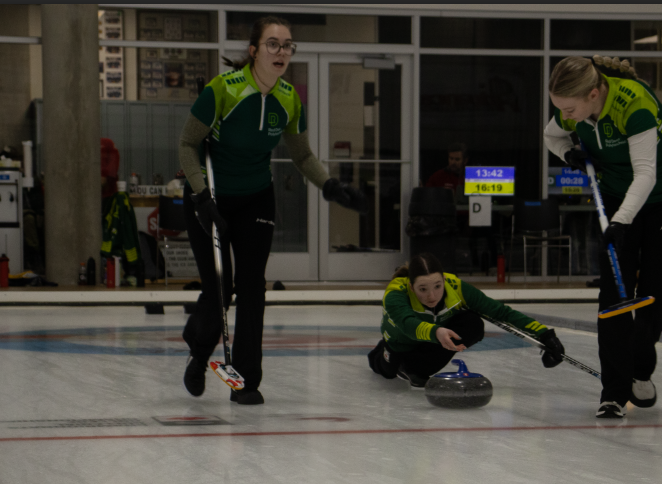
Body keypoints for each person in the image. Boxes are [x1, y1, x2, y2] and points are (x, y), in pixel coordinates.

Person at [178, 15, 366, 405]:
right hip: (208, 197)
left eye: (287, 45)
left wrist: (331, 186)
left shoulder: (289, 98)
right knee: (220, 289)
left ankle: (246, 380)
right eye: (273, 44)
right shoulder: (222, 91)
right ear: (253, 51)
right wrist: (200, 198)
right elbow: (186, 145)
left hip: (256, 198)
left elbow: (302, 155)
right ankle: (198, 353)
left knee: (252, 289)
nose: (282, 52)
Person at [543, 56, 662, 418]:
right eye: (560, 108)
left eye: (569, 109)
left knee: (655, 295)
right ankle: (613, 392)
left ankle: (641, 369)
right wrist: (569, 154)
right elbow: (552, 135)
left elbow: (646, 174)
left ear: (594, 94)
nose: (566, 116)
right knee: (613, 295)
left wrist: (622, 221)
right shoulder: (572, 108)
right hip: (613, 195)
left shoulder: (634, 105)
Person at [367, 252, 566, 388]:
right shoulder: (395, 292)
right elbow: (407, 324)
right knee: (387, 371)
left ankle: (415, 367)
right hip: (401, 343)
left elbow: (500, 312)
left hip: (434, 340)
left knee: (472, 324)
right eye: (423, 289)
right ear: (411, 287)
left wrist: (545, 334)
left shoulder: (456, 286)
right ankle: (380, 352)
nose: (432, 295)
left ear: (444, 280)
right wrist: (436, 332)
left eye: (437, 286)